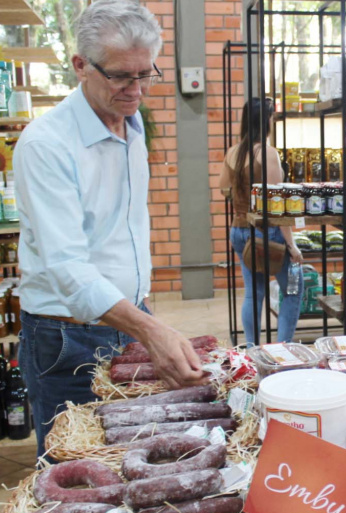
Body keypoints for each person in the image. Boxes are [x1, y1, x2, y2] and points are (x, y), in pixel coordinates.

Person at [14, 0, 207, 460]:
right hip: (65, 336)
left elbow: (119, 234)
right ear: (81, 65)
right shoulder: (47, 145)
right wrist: (150, 330)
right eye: (121, 75)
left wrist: (141, 319)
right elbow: (65, 265)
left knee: (128, 456)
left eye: (146, 75)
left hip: (124, 321)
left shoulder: (131, 126)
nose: (135, 89)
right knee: (76, 462)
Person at [218, 99, 303, 345]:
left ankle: (253, 349)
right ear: (266, 121)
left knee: (254, 294)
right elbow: (276, 206)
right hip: (269, 234)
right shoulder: (267, 153)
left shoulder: (233, 152)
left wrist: (244, 195)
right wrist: (291, 245)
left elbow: (223, 188)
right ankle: (283, 347)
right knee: (293, 291)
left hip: (239, 230)